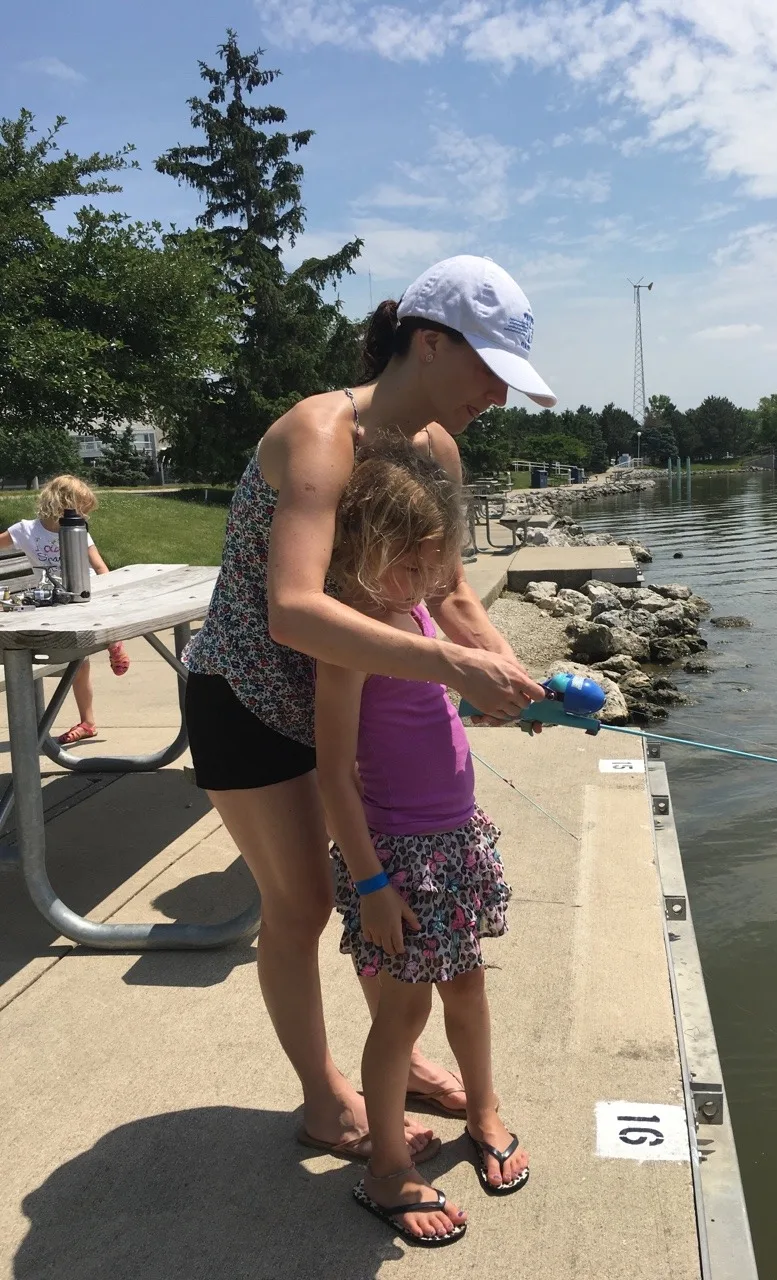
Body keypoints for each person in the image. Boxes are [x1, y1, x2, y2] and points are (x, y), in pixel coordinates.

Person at [182, 255, 555, 1165]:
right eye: (491, 371)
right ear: (428, 343)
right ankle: (324, 1098)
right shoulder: (320, 433)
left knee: (384, 897)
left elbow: (453, 588)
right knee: (304, 903)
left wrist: (508, 670)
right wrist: (446, 665)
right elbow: (294, 609)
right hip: (251, 696)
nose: (499, 398)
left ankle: (400, 1050)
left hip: (351, 698)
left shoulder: (434, 448)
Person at [318, 442, 529, 1247]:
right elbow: (335, 776)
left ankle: (484, 1109)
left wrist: (506, 695)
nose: (427, 586)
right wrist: (371, 887)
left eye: (434, 568)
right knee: (400, 1017)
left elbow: (444, 705)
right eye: (411, 569)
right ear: (364, 556)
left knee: (468, 992)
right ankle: (383, 1170)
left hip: (456, 844)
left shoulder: (414, 618)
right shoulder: (348, 643)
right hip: (398, 862)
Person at [0, 475, 130, 744]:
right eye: (80, 508)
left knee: (79, 659)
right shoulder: (26, 530)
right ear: (61, 504)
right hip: (54, 601)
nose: (82, 515)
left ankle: (112, 640)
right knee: (79, 664)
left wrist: (111, 595)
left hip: (83, 595)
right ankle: (88, 722)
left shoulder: (78, 529)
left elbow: (99, 567)